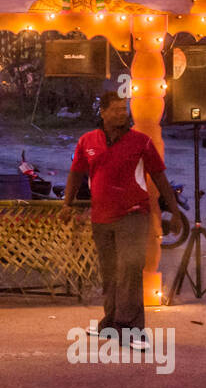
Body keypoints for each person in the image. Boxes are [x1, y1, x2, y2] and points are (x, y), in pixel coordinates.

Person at [61, 91, 182, 347]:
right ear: (102, 112)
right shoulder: (87, 141)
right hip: (101, 217)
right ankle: (111, 322)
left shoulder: (142, 142)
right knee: (110, 271)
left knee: (130, 269)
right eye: (115, 109)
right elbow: (75, 173)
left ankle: (133, 330)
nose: (121, 113)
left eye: (123, 109)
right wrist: (66, 204)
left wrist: (175, 210)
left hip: (133, 215)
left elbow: (160, 177)